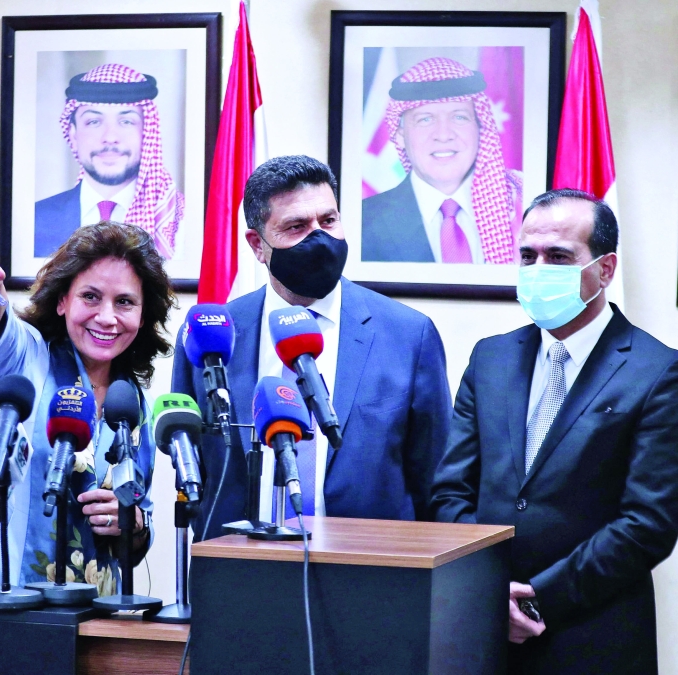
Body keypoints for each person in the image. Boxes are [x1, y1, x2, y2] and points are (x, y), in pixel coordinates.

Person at [431, 189, 678, 674]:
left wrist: (538, 600)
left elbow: (648, 523)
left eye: (558, 256)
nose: (538, 268)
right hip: (483, 629)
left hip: (593, 634)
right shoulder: (490, 358)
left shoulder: (657, 371)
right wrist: (488, 590)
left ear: (604, 269)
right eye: (528, 256)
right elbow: (450, 491)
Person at [172, 155, 452, 540]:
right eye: (296, 226)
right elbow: (193, 467)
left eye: (328, 220)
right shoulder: (211, 335)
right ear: (258, 245)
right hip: (239, 563)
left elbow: (434, 480)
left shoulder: (408, 335)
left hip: (368, 562)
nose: (319, 238)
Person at [0, 222, 174, 593]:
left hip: (90, 611)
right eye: (90, 297)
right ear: (63, 301)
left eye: (124, 302)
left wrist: (134, 522)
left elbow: (138, 535)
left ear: (142, 316)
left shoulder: (132, 404)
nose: (107, 317)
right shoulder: (23, 357)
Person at [362, 56, 523, 264]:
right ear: (400, 135)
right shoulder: (364, 221)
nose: (444, 134)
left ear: (480, 128)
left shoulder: (520, 207)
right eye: (425, 119)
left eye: (459, 117)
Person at [34, 63, 184, 260]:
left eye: (126, 122)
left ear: (146, 133)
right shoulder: (37, 218)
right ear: (73, 134)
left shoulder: (178, 219)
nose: (110, 137)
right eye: (94, 122)